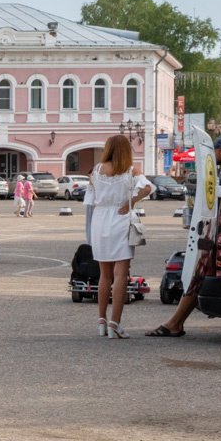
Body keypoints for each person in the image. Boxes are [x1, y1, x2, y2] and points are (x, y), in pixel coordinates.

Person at [148, 135, 221, 337]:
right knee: (199, 276)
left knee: (199, 275)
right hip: (218, 232)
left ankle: (174, 323)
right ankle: (175, 323)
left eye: (216, 152)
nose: (214, 155)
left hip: (220, 235)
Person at [85, 135, 154, 338]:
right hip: (120, 219)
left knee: (104, 275)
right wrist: (131, 202)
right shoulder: (130, 170)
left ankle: (101, 321)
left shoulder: (96, 170)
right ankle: (114, 323)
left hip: (100, 220)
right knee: (120, 274)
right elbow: (148, 187)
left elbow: (90, 200)